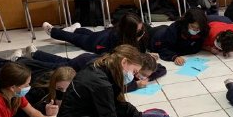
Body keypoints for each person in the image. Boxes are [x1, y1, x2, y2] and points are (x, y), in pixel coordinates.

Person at [50, 45, 148, 117]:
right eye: (134, 71)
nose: (133, 76)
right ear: (124, 62)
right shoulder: (101, 83)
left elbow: (114, 104)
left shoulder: (100, 67)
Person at [0, 50, 76, 116]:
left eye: (68, 89)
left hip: (23, 68)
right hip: (15, 77)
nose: (64, 92)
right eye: (59, 89)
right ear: (53, 84)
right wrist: (43, 108)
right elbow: (19, 106)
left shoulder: (73, 86)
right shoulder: (40, 89)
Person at [26, 47, 167, 92]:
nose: (141, 77)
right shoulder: (125, 69)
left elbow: (162, 69)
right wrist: (135, 85)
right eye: (140, 73)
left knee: (62, 61)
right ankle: (25, 60)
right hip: (84, 63)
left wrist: (148, 77)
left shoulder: (141, 66)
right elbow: (116, 87)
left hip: (90, 60)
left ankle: (35, 54)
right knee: (55, 68)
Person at [42, 13, 147, 54]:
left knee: (89, 34)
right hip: (98, 43)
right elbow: (117, 55)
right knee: (76, 38)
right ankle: (53, 31)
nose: (141, 31)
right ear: (129, 31)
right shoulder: (117, 39)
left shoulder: (126, 30)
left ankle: (76, 29)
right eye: (138, 30)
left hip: (101, 34)